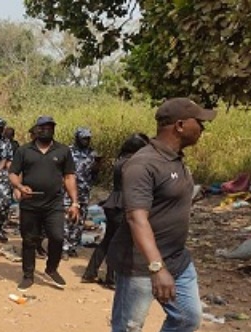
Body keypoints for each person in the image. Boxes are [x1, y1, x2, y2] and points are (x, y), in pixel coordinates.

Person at [105, 98, 215, 332]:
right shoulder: (143, 164)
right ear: (179, 125)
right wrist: (157, 267)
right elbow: (136, 218)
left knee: (188, 317)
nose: (203, 127)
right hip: (142, 264)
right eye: (199, 122)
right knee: (129, 327)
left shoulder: (176, 159)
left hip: (177, 259)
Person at [9, 116, 79, 292]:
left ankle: (51, 268)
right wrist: (19, 187)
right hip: (30, 204)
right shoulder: (24, 150)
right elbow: (13, 173)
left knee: (57, 237)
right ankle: (28, 275)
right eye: (43, 127)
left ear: (54, 129)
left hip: (53, 204)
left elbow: (69, 177)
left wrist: (74, 202)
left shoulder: (63, 151)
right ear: (37, 129)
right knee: (29, 240)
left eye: (50, 127)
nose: (46, 130)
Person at [82, 133, 150, 286]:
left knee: (108, 241)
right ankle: (111, 278)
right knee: (119, 243)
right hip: (122, 205)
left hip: (114, 203)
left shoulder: (122, 161)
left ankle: (91, 272)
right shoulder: (132, 164)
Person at [63, 127, 101, 259]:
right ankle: (63, 247)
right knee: (67, 218)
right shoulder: (68, 151)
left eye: (88, 138)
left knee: (80, 220)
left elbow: (95, 176)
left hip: (84, 191)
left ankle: (73, 246)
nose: (86, 141)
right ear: (77, 138)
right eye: (83, 138)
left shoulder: (92, 154)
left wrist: (97, 167)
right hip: (68, 190)